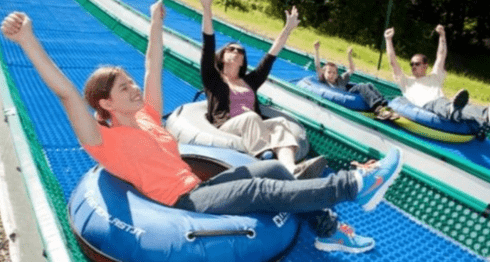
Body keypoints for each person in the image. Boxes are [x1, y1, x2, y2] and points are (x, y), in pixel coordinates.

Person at [1, 1, 403, 254]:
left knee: (274, 169)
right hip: (181, 204)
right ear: (106, 103)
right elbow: (69, 95)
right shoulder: (101, 139)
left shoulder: (146, 115)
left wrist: (156, 20)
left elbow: (152, 64)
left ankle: (325, 228)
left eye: (131, 82)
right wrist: (28, 40)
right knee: (258, 188)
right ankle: (353, 185)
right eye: (125, 88)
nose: (135, 88)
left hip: (200, 188)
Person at [201, 0, 326, 179]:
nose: (237, 52)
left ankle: (291, 169)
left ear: (243, 61)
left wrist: (288, 29)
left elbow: (271, 55)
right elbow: (208, 44)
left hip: (252, 127)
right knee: (251, 117)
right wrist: (207, 9)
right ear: (222, 56)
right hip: (227, 126)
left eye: (241, 51)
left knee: (280, 123)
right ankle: (264, 158)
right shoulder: (213, 79)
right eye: (231, 49)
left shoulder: (250, 81)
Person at [384, 25, 490, 134]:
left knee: (463, 107)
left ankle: (488, 114)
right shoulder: (406, 82)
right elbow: (393, 63)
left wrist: (442, 36)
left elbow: (441, 55)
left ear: (425, 66)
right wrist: (388, 40)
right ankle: (453, 110)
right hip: (427, 106)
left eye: (417, 64)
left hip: (443, 103)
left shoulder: (435, 77)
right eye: (412, 64)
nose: (413, 66)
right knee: (442, 104)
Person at [313, 41, 399, 121]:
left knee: (368, 85)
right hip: (342, 98)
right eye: (329, 72)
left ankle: (384, 106)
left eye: (334, 73)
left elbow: (351, 69)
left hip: (348, 93)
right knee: (361, 86)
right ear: (324, 73)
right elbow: (317, 66)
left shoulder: (340, 80)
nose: (331, 75)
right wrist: (316, 50)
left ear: (337, 74)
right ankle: (378, 109)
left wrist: (349, 56)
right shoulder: (323, 80)